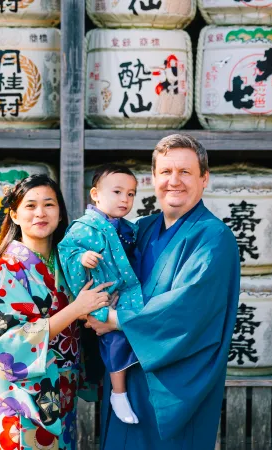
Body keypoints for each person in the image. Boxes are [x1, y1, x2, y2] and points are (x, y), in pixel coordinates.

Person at [85, 134, 241, 450]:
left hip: (174, 387)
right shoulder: (139, 229)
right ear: (154, 178)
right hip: (124, 378)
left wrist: (113, 319)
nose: (174, 181)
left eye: (185, 172)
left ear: (204, 178)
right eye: (165, 172)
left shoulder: (213, 238)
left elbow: (186, 311)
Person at [0, 174, 113, 450]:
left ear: (60, 213)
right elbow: (8, 342)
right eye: (30, 206)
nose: (40, 213)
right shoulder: (6, 271)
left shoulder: (69, 263)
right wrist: (76, 309)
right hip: (22, 395)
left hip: (63, 389)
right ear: (14, 215)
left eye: (49, 204)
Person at [58, 164, 144, 425]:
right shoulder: (83, 227)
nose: (125, 199)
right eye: (117, 192)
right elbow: (65, 251)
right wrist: (81, 258)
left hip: (126, 291)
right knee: (114, 339)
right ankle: (119, 392)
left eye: (130, 194)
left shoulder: (127, 227)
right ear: (95, 194)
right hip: (99, 294)